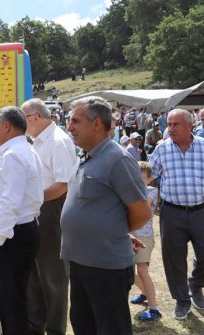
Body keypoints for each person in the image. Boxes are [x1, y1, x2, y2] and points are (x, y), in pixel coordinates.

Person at [61, 96, 150, 333]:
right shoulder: (84, 156)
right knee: (83, 323)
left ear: (97, 124)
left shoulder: (117, 159)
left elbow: (141, 212)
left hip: (106, 267)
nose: (70, 127)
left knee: (111, 328)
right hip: (80, 262)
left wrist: (115, 232)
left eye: (76, 121)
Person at [0, 107, 44, 335]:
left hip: (14, 235)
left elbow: (10, 205)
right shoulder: (25, 150)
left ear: (6, 126)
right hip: (23, 231)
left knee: (10, 302)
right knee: (17, 298)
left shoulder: (13, 155)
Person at [21, 98, 78, 335]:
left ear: (34, 117)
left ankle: (55, 329)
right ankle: (36, 326)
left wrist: (34, 198)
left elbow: (64, 183)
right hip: (37, 210)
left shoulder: (58, 141)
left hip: (52, 210)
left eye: (22, 119)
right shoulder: (38, 141)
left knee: (53, 276)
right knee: (34, 272)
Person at [149, 108, 204, 320]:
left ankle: (196, 284)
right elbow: (148, 173)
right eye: (169, 124)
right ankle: (182, 300)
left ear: (190, 125)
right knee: (174, 258)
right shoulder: (162, 148)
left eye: (176, 124)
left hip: (202, 211)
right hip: (172, 212)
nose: (170, 128)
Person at [129, 161, 162, 321]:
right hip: (129, 236)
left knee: (141, 270)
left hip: (144, 237)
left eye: (141, 177)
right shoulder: (130, 190)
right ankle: (144, 293)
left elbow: (142, 208)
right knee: (129, 270)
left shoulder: (151, 191)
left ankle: (154, 308)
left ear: (149, 179)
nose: (137, 179)